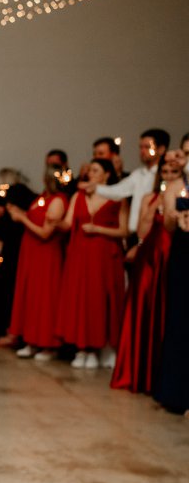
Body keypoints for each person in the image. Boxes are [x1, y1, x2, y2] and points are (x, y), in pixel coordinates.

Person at [110, 157, 182, 393]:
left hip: (172, 256)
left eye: (173, 172)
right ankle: (139, 372)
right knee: (144, 308)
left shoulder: (182, 196)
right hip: (151, 256)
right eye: (165, 171)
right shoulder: (148, 198)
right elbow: (142, 231)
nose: (168, 176)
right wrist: (153, 207)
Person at [56, 159, 128, 369]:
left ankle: (106, 346)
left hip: (105, 255)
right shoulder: (78, 196)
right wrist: (53, 221)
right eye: (89, 170)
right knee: (82, 300)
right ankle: (83, 347)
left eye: (96, 170)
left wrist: (98, 230)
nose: (91, 174)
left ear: (107, 174)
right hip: (81, 256)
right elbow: (68, 223)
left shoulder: (118, 198)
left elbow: (124, 230)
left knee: (103, 299)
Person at [7, 165, 69, 361]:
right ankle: (31, 340)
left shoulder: (58, 201)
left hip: (46, 255)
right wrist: (19, 212)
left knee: (45, 298)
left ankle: (48, 345)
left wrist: (22, 218)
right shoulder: (42, 198)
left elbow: (45, 233)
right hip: (32, 254)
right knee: (31, 297)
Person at [81, 130, 169, 246]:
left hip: (156, 235)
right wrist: (95, 188)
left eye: (147, 147)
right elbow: (118, 191)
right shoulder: (138, 174)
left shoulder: (167, 174)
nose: (142, 151)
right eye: (141, 147)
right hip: (135, 235)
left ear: (161, 149)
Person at [0, 169, 33, 345]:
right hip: (9, 249)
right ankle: (1, 327)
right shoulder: (5, 199)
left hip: (8, 249)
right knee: (3, 288)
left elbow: (3, 228)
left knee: (4, 289)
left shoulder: (13, 199)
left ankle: (2, 328)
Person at [154, 177, 189, 414]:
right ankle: (177, 393)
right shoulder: (178, 185)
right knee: (181, 322)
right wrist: (176, 216)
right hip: (184, 255)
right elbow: (167, 224)